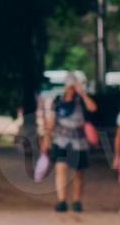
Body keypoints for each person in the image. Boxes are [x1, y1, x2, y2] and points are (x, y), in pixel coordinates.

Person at [38, 75, 97, 212]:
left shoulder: (80, 101)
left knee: (77, 173)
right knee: (60, 169)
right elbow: (51, 121)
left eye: (73, 86)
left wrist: (82, 93)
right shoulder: (58, 101)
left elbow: (93, 108)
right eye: (69, 86)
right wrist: (46, 139)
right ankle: (62, 200)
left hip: (78, 141)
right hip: (61, 140)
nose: (71, 89)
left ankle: (76, 201)